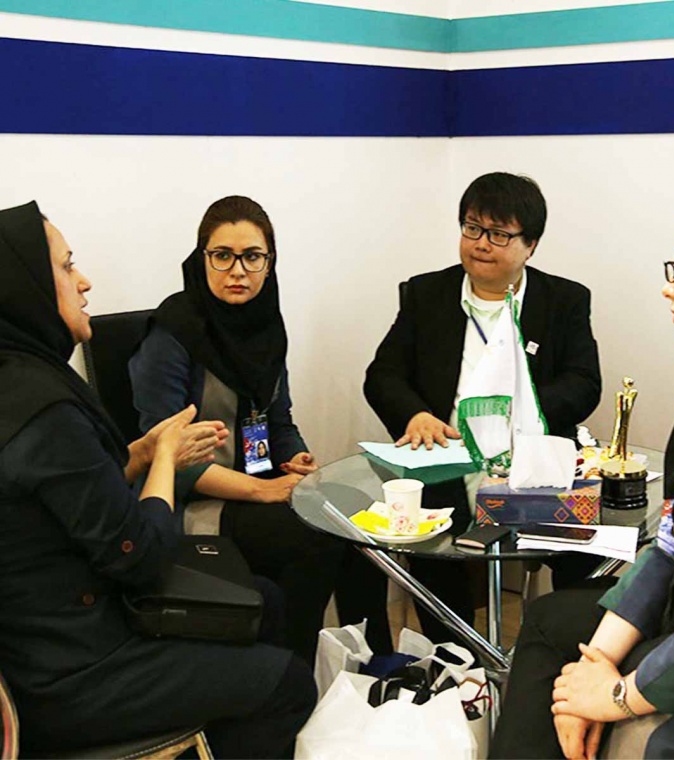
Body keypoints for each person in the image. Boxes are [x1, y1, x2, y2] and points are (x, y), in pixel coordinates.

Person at [0, 201, 316, 758]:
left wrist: (143, 453)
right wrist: (165, 457)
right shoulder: (46, 409)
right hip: (75, 665)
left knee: (267, 599)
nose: (84, 281)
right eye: (67, 266)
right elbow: (142, 556)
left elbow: (78, 490)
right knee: (288, 682)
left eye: (253, 257)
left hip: (71, 613)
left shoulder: (27, 379)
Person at [490, 186, 674, 759]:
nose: (669, 286)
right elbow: (673, 542)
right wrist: (595, 664)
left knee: (564, 663)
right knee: (553, 629)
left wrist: (616, 695)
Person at [363, 172, 602, 641]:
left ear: (530, 245)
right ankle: (456, 662)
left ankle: (564, 654)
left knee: (583, 554)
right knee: (432, 548)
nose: (481, 244)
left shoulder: (564, 300)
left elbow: (584, 383)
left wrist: (526, 413)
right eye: (472, 228)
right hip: (447, 456)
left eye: (498, 234)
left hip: (532, 459)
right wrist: (415, 415)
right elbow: (382, 376)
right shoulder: (427, 294)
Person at [129, 195, 343, 663]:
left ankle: (368, 667)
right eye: (222, 256)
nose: (237, 271)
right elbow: (166, 457)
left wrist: (296, 458)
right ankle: (292, 674)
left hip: (252, 488)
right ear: (201, 258)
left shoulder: (267, 326)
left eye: (252, 257)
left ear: (270, 262)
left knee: (351, 528)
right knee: (314, 538)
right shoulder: (172, 333)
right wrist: (262, 490)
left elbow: (278, 421)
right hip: (190, 503)